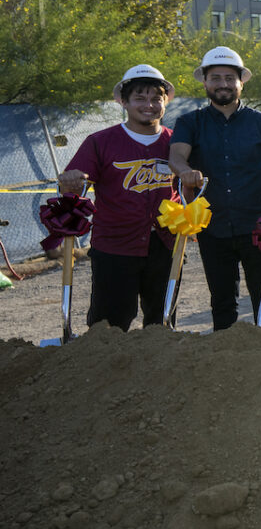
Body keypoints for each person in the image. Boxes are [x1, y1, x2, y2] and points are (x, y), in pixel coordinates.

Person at [168, 46, 261, 331]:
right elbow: (176, 157)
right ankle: (226, 358)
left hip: (259, 227)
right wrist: (185, 172)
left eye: (229, 78)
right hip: (213, 228)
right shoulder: (189, 122)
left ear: (241, 82)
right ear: (205, 82)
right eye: (216, 77)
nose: (223, 84)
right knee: (222, 301)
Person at [56, 64, 179, 330]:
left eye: (156, 98)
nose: (149, 105)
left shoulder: (177, 143)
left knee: (163, 326)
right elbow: (73, 188)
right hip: (115, 245)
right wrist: (71, 184)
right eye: (139, 98)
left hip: (166, 244)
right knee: (109, 327)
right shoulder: (100, 142)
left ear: (165, 102)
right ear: (123, 101)